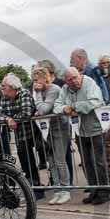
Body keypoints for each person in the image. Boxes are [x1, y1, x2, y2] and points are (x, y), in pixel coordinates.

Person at [55, 68, 109, 204]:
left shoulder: (89, 83)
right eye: (70, 80)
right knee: (86, 163)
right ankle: (94, 191)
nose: (74, 81)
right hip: (80, 131)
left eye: (75, 77)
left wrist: (72, 107)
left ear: (80, 75)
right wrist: (63, 109)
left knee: (99, 162)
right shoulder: (65, 89)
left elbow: (94, 102)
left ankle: (104, 192)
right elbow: (57, 106)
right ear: (65, 81)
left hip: (96, 129)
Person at [0, 73, 42, 196]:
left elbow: (26, 113)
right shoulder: (5, 97)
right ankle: (33, 188)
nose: (2, 88)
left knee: (42, 158)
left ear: (12, 86)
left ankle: (44, 188)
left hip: (35, 131)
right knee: (25, 160)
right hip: (20, 134)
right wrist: (8, 120)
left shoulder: (24, 94)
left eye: (3, 85)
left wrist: (13, 119)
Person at [32, 66, 72, 204]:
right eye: (33, 80)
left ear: (44, 78)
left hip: (60, 127)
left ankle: (65, 190)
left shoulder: (54, 89)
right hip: (48, 129)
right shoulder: (41, 91)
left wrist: (37, 95)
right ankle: (57, 189)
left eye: (37, 80)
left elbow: (43, 110)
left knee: (60, 160)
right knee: (52, 161)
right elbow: (39, 109)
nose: (34, 83)